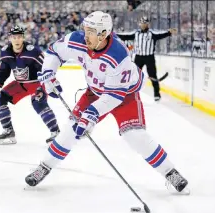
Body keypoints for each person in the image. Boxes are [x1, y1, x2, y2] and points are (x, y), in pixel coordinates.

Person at [24, 11, 188, 194]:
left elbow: (113, 96)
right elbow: (54, 51)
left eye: (91, 31)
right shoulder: (78, 40)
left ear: (104, 34)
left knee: (135, 136)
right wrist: (49, 73)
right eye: (86, 30)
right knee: (70, 131)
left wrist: (91, 115)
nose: (86, 35)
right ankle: (44, 166)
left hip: (125, 95)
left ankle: (170, 171)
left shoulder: (119, 55)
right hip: (94, 92)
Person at [0, 26, 60, 145]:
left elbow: (46, 68)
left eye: (19, 37)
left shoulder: (33, 51)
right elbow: (3, 71)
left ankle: (56, 133)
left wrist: (51, 82)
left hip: (37, 83)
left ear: (23, 38)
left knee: (38, 102)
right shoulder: (5, 52)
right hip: (20, 84)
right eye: (14, 37)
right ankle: (8, 131)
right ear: (10, 38)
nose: (17, 40)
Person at [116, 16, 176, 101]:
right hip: (139, 57)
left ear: (148, 24)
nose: (143, 25)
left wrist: (169, 33)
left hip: (149, 57)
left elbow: (161, 35)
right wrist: (113, 35)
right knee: (134, 76)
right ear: (139, 24)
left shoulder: (152, 34)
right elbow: (125, 36)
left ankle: (157, 94)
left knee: (153, 75)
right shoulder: (136, 33)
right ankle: (131, 93)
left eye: (145, 23)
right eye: (142, 23)